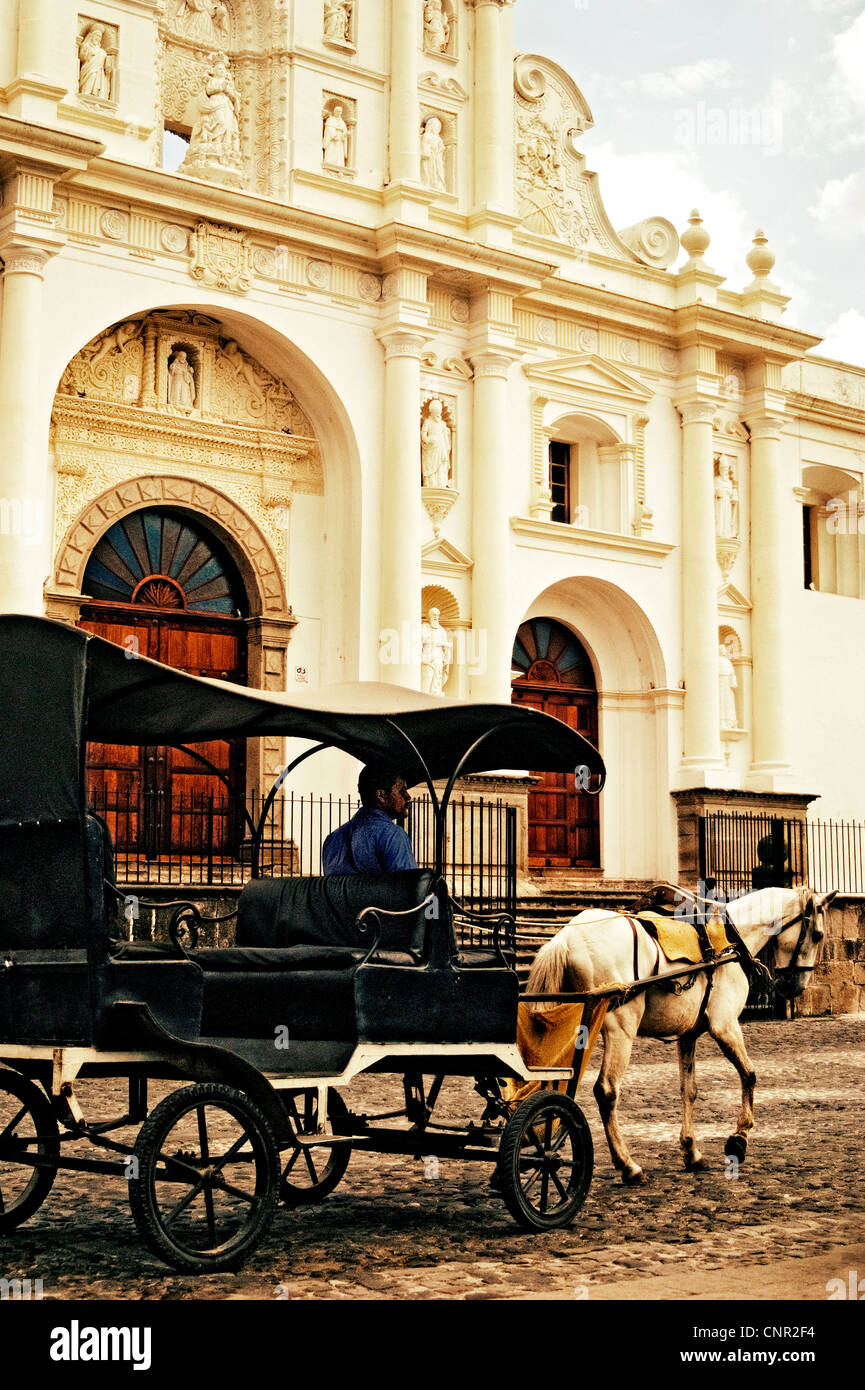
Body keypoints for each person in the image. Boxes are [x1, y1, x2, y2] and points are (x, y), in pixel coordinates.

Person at [322, 763, 418, 874]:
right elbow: (410, 887)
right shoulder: (393, 835)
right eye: (402, 791)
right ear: (381, 796)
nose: (408, 796)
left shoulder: (332, 839)